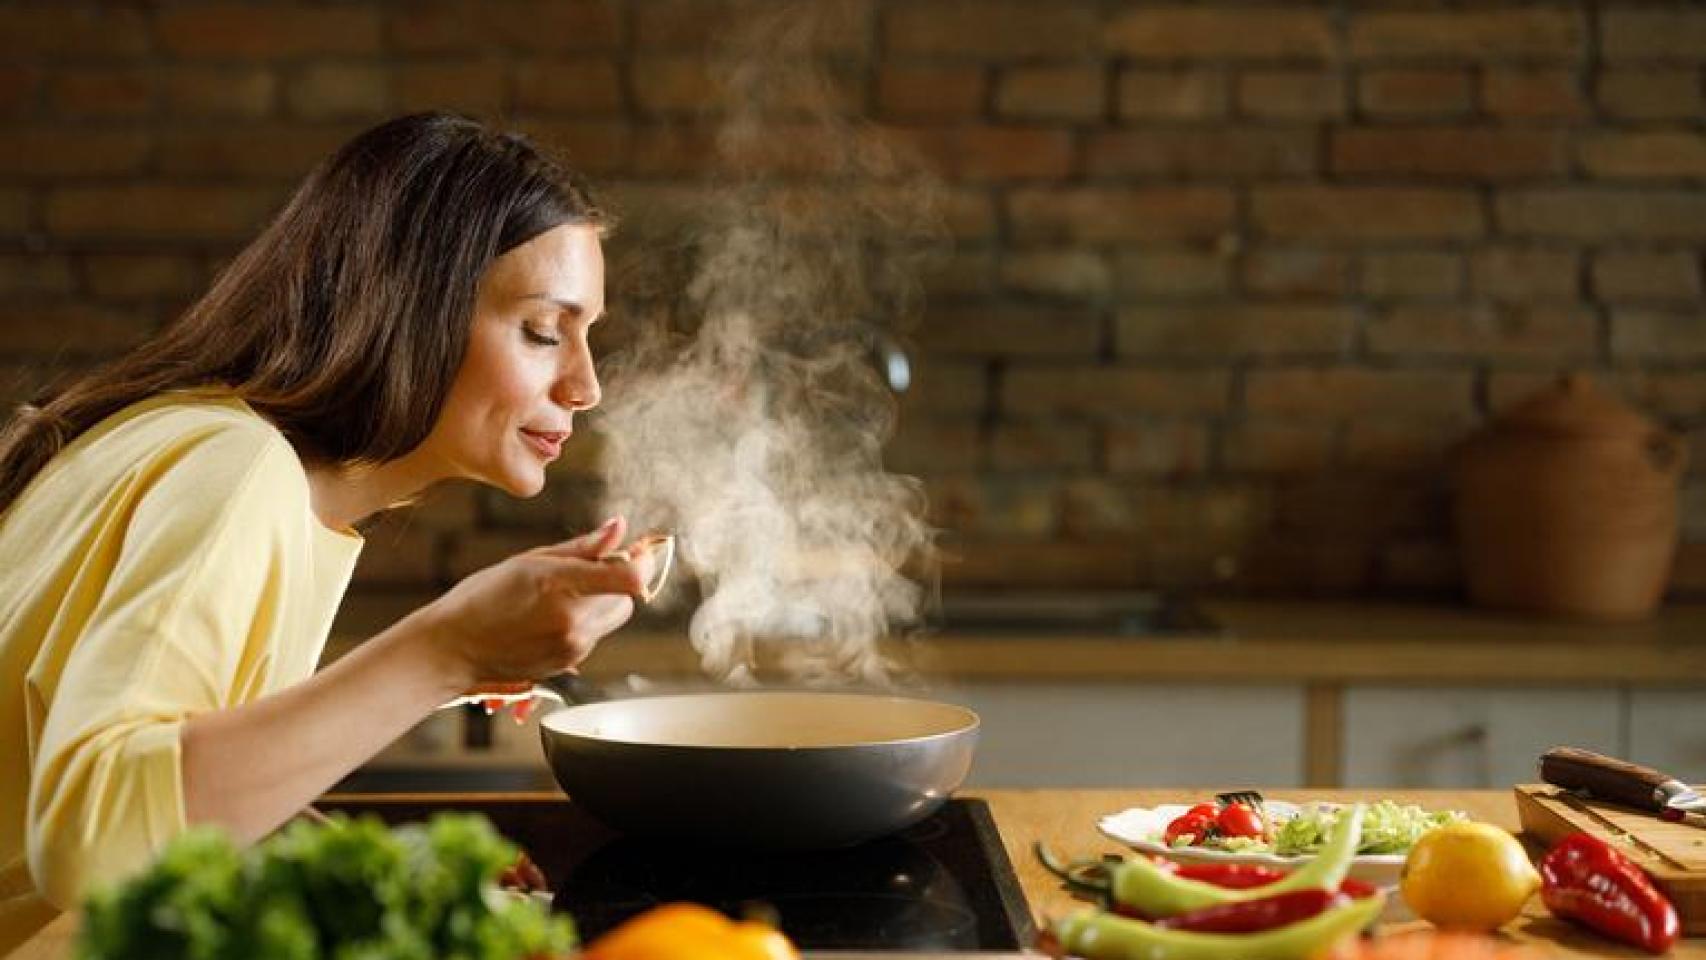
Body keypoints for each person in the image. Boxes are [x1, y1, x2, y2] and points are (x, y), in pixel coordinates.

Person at [0, 112, 657, 952]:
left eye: (586, 335)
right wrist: (447, 650)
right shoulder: (235, 470)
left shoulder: (231, 457)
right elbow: (92, 842)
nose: (586, 385)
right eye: (540, 331)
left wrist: (351, 859)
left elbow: (168, 809)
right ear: (414, 308)